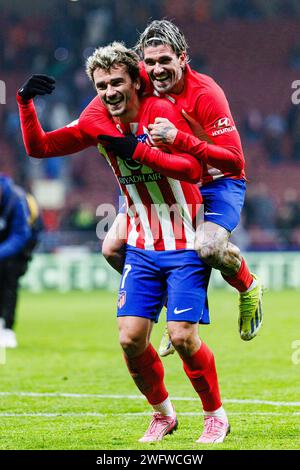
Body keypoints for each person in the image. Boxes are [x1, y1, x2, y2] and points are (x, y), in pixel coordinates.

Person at [17, 42, 230, 444]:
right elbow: (38, 147)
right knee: (130, 339)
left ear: (136, 80)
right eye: (101, 85)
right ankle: (163, 415)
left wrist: (137, 150)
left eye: (117, 82)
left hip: (185, 236)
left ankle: (215, 415)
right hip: (141, 243)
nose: (110, 91)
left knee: (184, 338)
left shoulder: (161, 114)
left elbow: (193, 167)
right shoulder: (97, 122)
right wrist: (25, 103)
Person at [98, 20, 263, 354]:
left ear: (183, 58)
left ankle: (248, 286)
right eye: (151, 62)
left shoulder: (205, 93)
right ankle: (174, 307)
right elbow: (100, 100)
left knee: (209, 248)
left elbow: (234, 161)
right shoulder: (140, 82)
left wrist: (180, 140)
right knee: (112, 248)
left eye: (165, 61)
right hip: (164, 183)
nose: (157, 70)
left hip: (215, 182)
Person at [0, 174, 41, 348]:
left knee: (9, 281)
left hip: (20, 247)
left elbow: (21, 235)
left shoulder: (16, 199)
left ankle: (8, 329)